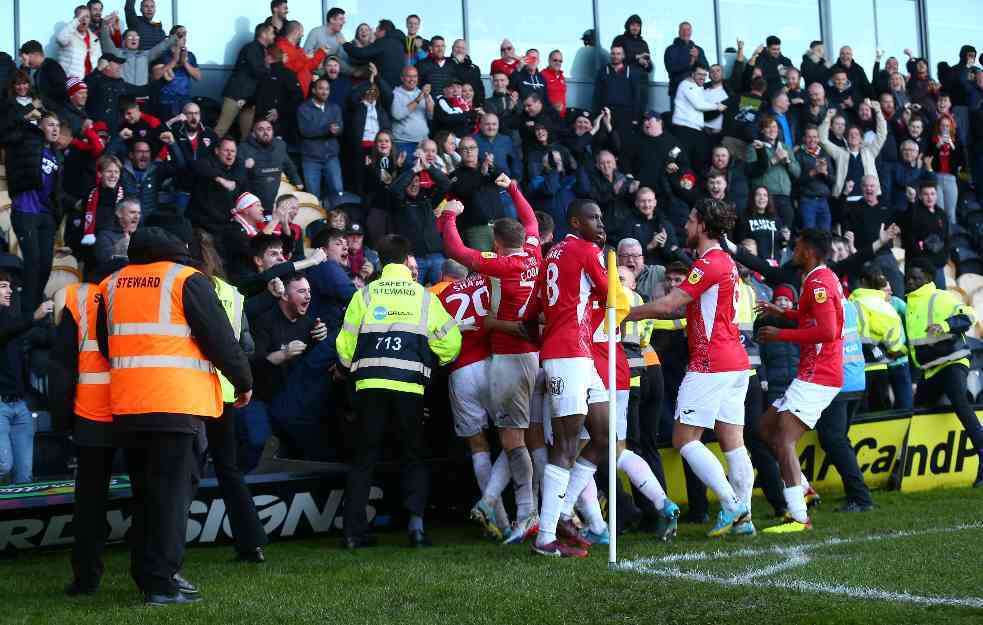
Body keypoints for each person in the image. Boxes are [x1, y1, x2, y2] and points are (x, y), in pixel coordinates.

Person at [96, 218, 252, 605]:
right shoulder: (186, 280)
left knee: (146, 495)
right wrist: (244, 382)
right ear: (178, 249)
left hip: (129, 405)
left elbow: (104, 343)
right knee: (170, 497)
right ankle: (163, 583)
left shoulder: (111, 284)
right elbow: (221, 341)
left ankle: (147, 574)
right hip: (176, 404)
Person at [627, 198, 754, 536]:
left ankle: (732, 504)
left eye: (690, 220)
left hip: (711, 361)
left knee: (683, 437)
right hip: (735, 362)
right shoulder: (725, 262)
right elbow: (686, 310)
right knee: (733, 442)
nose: (685, 226)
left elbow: (671, 303)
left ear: (703, 226)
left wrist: (626, 312)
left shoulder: (709, 263)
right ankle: (746, 517)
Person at [336, 234, 462, 548]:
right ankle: (416, 528)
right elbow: (451, 343)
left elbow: (344, 347)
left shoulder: (364, 296)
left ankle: (353, 533)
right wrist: (436, 360)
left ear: (379, 259)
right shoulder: (423, 297)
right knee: (413, 456)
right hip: (409, 387)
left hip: (368, 387)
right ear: (407, 260)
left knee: (364, 457)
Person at [439, 180, 541, 544]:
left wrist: (449, 214)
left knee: (509, 439)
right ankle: (536, 511)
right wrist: (514, 188)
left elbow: (454, 247)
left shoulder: (498, 266)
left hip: (505, 359)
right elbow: (530, 222)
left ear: (496, 243)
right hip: (532, 354)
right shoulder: (533, 253)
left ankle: (518, 511)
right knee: (528, 437)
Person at [533, 199, 611, 558]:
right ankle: (545, 537)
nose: (600, 222)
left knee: (603, 434)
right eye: (593, 217)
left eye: (600, 217)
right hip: (568, 355)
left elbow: (532, 311)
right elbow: (612, 294)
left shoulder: (550, 255)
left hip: (578, 354)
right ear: (575, 221)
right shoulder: (585, 250)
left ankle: (563, 515)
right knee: (565, 445)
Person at [755, 229, 844, 533]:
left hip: (818, 374)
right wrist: (783, 313)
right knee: (765, 429)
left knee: (782, 439)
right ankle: (803, 487)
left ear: (808, 250)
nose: (793, 249)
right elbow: (811, 320)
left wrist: (781, 333)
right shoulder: (821, 278)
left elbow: (828, 332)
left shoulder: (818, 282)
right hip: (813, 372)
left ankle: (798, 516)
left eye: (797, 245)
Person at [50, 264, 118, 595]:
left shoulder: (79, 300)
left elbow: (62, 367)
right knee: (150, 494)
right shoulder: (148, 293)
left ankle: (86, 578)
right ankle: (154, 576)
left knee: (90, 500)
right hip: (141, 407)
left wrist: (62, 422)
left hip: (91, 415)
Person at [903, 258, 983, 488]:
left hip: (952, 361)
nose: (910, 281)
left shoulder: (940, 297)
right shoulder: (910, 304)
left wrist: (945, 326)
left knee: (960, 402)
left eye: (916, 278)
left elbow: (969, 316)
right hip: (930, 369)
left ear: (927, 279)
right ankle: (908, 467)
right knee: (916, 411)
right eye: (908, 277)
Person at [6, 112, 63, 313]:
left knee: (46, 264)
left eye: (57, 125)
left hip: (45, 214)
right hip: (25, 210)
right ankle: (27, 313)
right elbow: (9, 128)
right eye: (50, 125)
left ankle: (35, 303)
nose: (55, 129)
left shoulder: (57, 155)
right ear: (39, 127)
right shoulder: (27, 143)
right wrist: (29, 112)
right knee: (33, 261)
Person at [0, 271, 52, 485]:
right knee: (4, 464)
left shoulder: (10, 319)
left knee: (24, 478)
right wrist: (33, 316)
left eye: (9, 286)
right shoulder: (11, 323)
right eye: (3, 286)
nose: (9, 290)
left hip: (20, 405)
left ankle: (17, 518)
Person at [215, 23, 275, 139]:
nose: (274, 36)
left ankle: (243, 156)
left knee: (246, 134)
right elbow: (257, 70)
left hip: (249, 98)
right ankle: (206, 154)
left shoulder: (262, 50)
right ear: (263, 34)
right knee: (221, 129)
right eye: (272, 33)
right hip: (237, 95)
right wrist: (269, 67)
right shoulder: (252, 48)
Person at [239, 119, 303, 214]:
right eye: (261, 129)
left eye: (269, 129)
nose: (265, 133)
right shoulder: (243, 148)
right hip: (251, 202)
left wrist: (297, 181)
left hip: (272, 199)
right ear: (253, 133)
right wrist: (244, 166)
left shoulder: (280, 145)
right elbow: (235, 174)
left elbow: (288, 165)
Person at [672, 65, 727, 175]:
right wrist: (717, 106)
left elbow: (739, 102)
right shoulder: (690, 86)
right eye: (699, 74)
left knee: (703, 163)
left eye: (704, 75)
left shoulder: (728, 89)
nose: (703, 77)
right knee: (684, 161)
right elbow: (699, 105)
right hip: (690, 130)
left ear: (723, 73)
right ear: (692, 74)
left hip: (716, 133)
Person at [298, 78, 344, 202]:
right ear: (314, 90)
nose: (325, 92)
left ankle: (337, 220)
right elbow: (305, 131)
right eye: (321, 88)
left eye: (327, 89)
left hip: (331, 157)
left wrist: (337, 129)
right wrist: (328, 129)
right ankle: (319, 221)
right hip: (311, 159)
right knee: (313, 197)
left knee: (338, 191)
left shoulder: (334, 108)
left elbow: (340, 127)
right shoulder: (304, 108)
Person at [18, 40, 69, 111]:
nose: (25, 61)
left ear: (35, 54)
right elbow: (20, 84)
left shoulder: (52, 66)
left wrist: (42, 101)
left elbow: (61, 91)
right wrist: (25, 67)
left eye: (26, 58)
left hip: (56, 113)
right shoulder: (38, 72)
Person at [664, 22, 709, 101]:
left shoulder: (698, 49)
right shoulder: (670, 49)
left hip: (696, 91)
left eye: (688, 30)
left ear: (691, 32)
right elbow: (671, 69)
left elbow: (706, 67)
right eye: (683, 30)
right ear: (679, 32)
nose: (685, 32)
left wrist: (697, 57)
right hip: (677, 91)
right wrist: (691, 63)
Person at [56, 5, 102, 80]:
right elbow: (61, 39)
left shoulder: (94, 38)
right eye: (81, 16)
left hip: (91, 81)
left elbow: (99, 59)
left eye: (87, 16)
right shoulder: (69, 34)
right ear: (75, 19)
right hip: (71, 81)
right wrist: (77, 20)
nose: (84, 19)